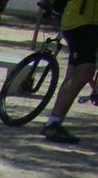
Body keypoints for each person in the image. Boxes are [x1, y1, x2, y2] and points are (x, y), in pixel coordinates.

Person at [42, 0, 98, 142]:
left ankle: (54, 121)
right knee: (84, 71)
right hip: (83, 22)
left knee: (74, 73)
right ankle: (53, 124)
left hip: (83, 20)